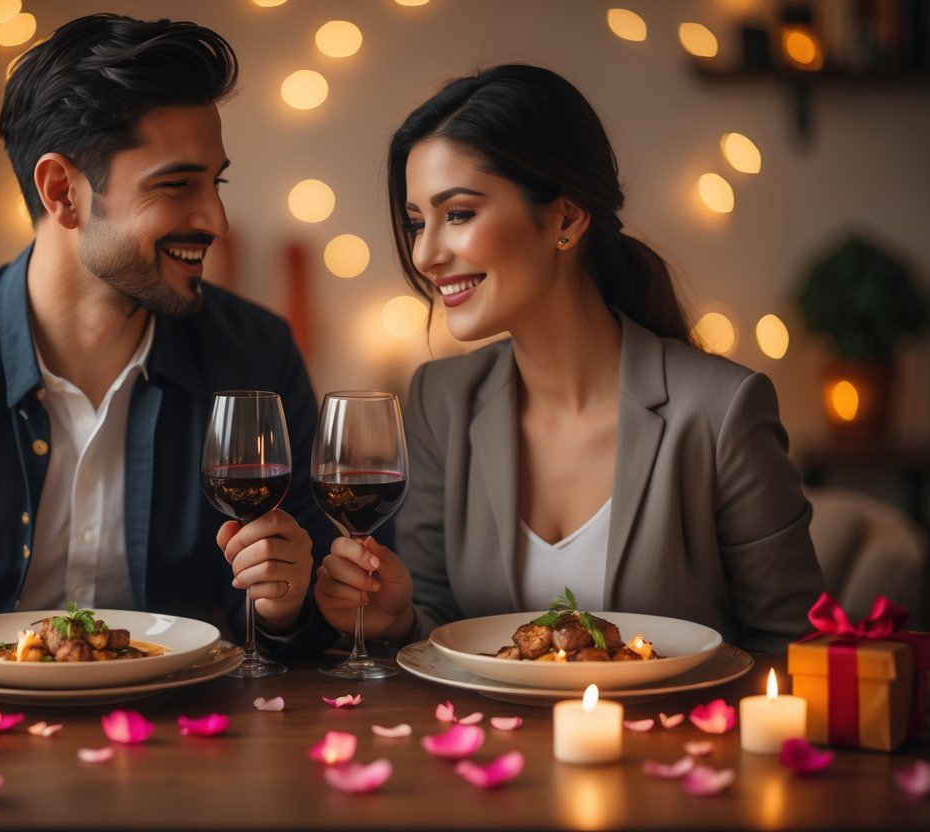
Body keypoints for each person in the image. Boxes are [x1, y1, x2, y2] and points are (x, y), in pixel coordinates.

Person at [0, 14, 336, 652]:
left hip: (186, 734)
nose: (216, 218)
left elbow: (328, 630)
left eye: (216, 183)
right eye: (178, 185)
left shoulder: (256, 355)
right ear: (61, 191)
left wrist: (289, 609)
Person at [314, 64, 825, 653]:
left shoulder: (721, 411)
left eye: (457, 214)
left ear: (567, 217)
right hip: (486, 746)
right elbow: (441, 628)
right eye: (414, 222)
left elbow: (795, 652)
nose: (426, 254)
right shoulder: (439, 400)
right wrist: (398, 620)